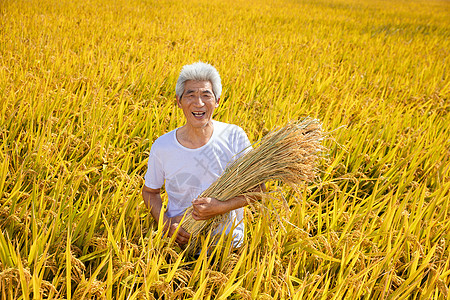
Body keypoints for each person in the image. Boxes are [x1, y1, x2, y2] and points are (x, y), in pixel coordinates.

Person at [142, 62, 263, 247]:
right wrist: (166, 226)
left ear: (217, 101)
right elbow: (150, 192)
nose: (198, 103)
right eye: (190, 95)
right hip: (179, 246)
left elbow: (260, 189)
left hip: (227, 247)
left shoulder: (234, 136)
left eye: (206, 95)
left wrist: (221, 207)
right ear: (178, 101)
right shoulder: (163, 146)